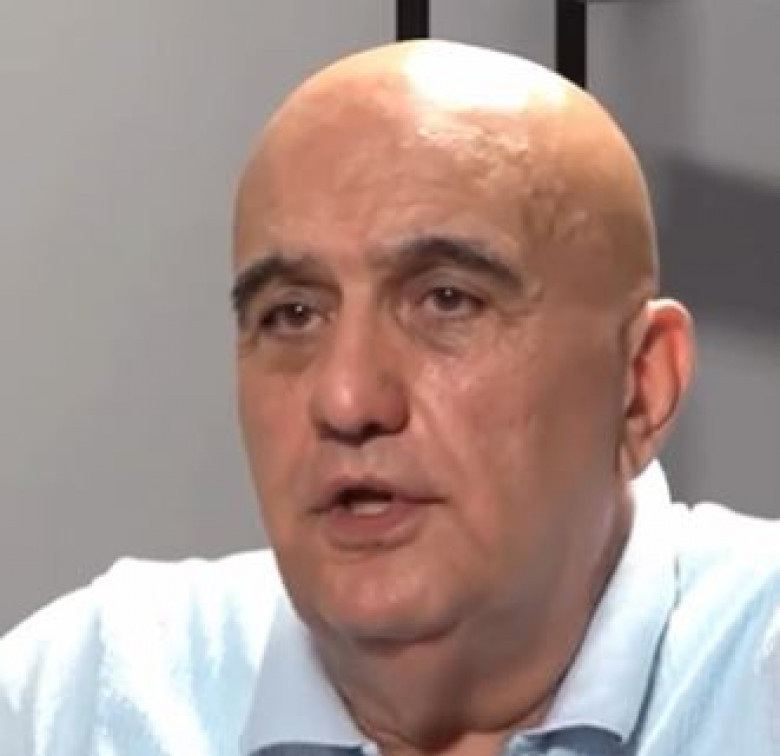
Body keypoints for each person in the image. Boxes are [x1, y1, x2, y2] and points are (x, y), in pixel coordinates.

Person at [1, 39, 778, 756]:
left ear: (642, 384)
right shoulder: (81, 698)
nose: (347, 400)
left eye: (447, 301)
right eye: (292, 314)